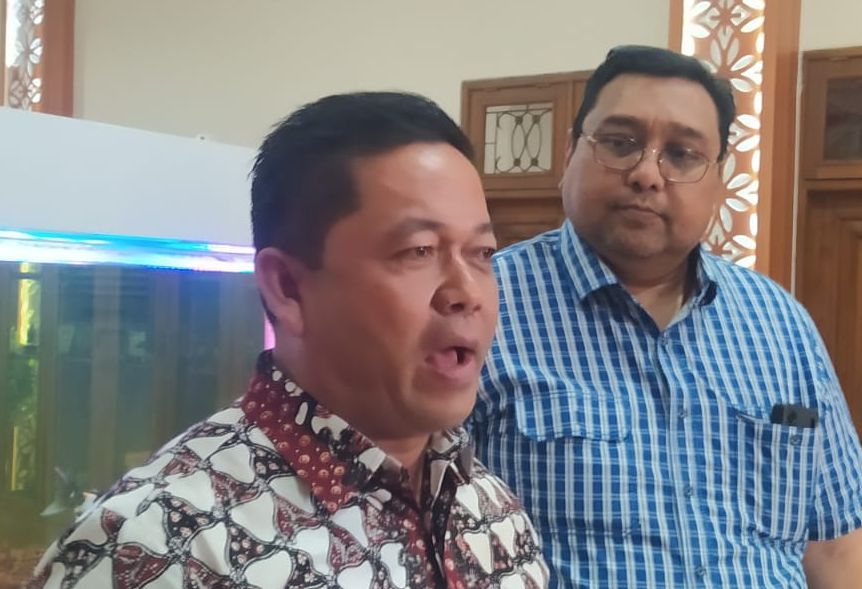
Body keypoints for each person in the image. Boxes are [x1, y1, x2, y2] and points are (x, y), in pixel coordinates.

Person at [29, 92, 548, 589]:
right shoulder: (157, 548)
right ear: (288, 287)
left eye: (482, 253)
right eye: (419, 251)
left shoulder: (488, 507)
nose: (466, 293)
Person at [471, 45, 862, 588]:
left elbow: (836, 548)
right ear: (570, 152)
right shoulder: (479, 308)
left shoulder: (781, 324)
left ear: (718, 181)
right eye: (620, 144)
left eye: (682, 154)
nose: (647, 173)